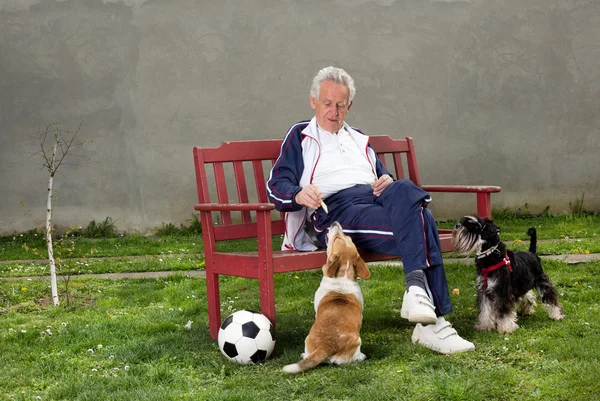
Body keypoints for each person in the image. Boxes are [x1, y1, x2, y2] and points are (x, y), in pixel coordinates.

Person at [266, 66, 474, 355]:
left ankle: (418, 294)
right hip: (337, 212)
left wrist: (385, 181)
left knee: (403, 190)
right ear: (313, 101)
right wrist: (298, 194)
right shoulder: (301, 135)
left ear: (349, 106)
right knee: (422, 217)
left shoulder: (359, 138)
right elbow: (276, 185)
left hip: (372, 201)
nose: (333, 111)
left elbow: (382, 177)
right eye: (327, 103)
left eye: (340, 104)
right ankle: (431, 320)